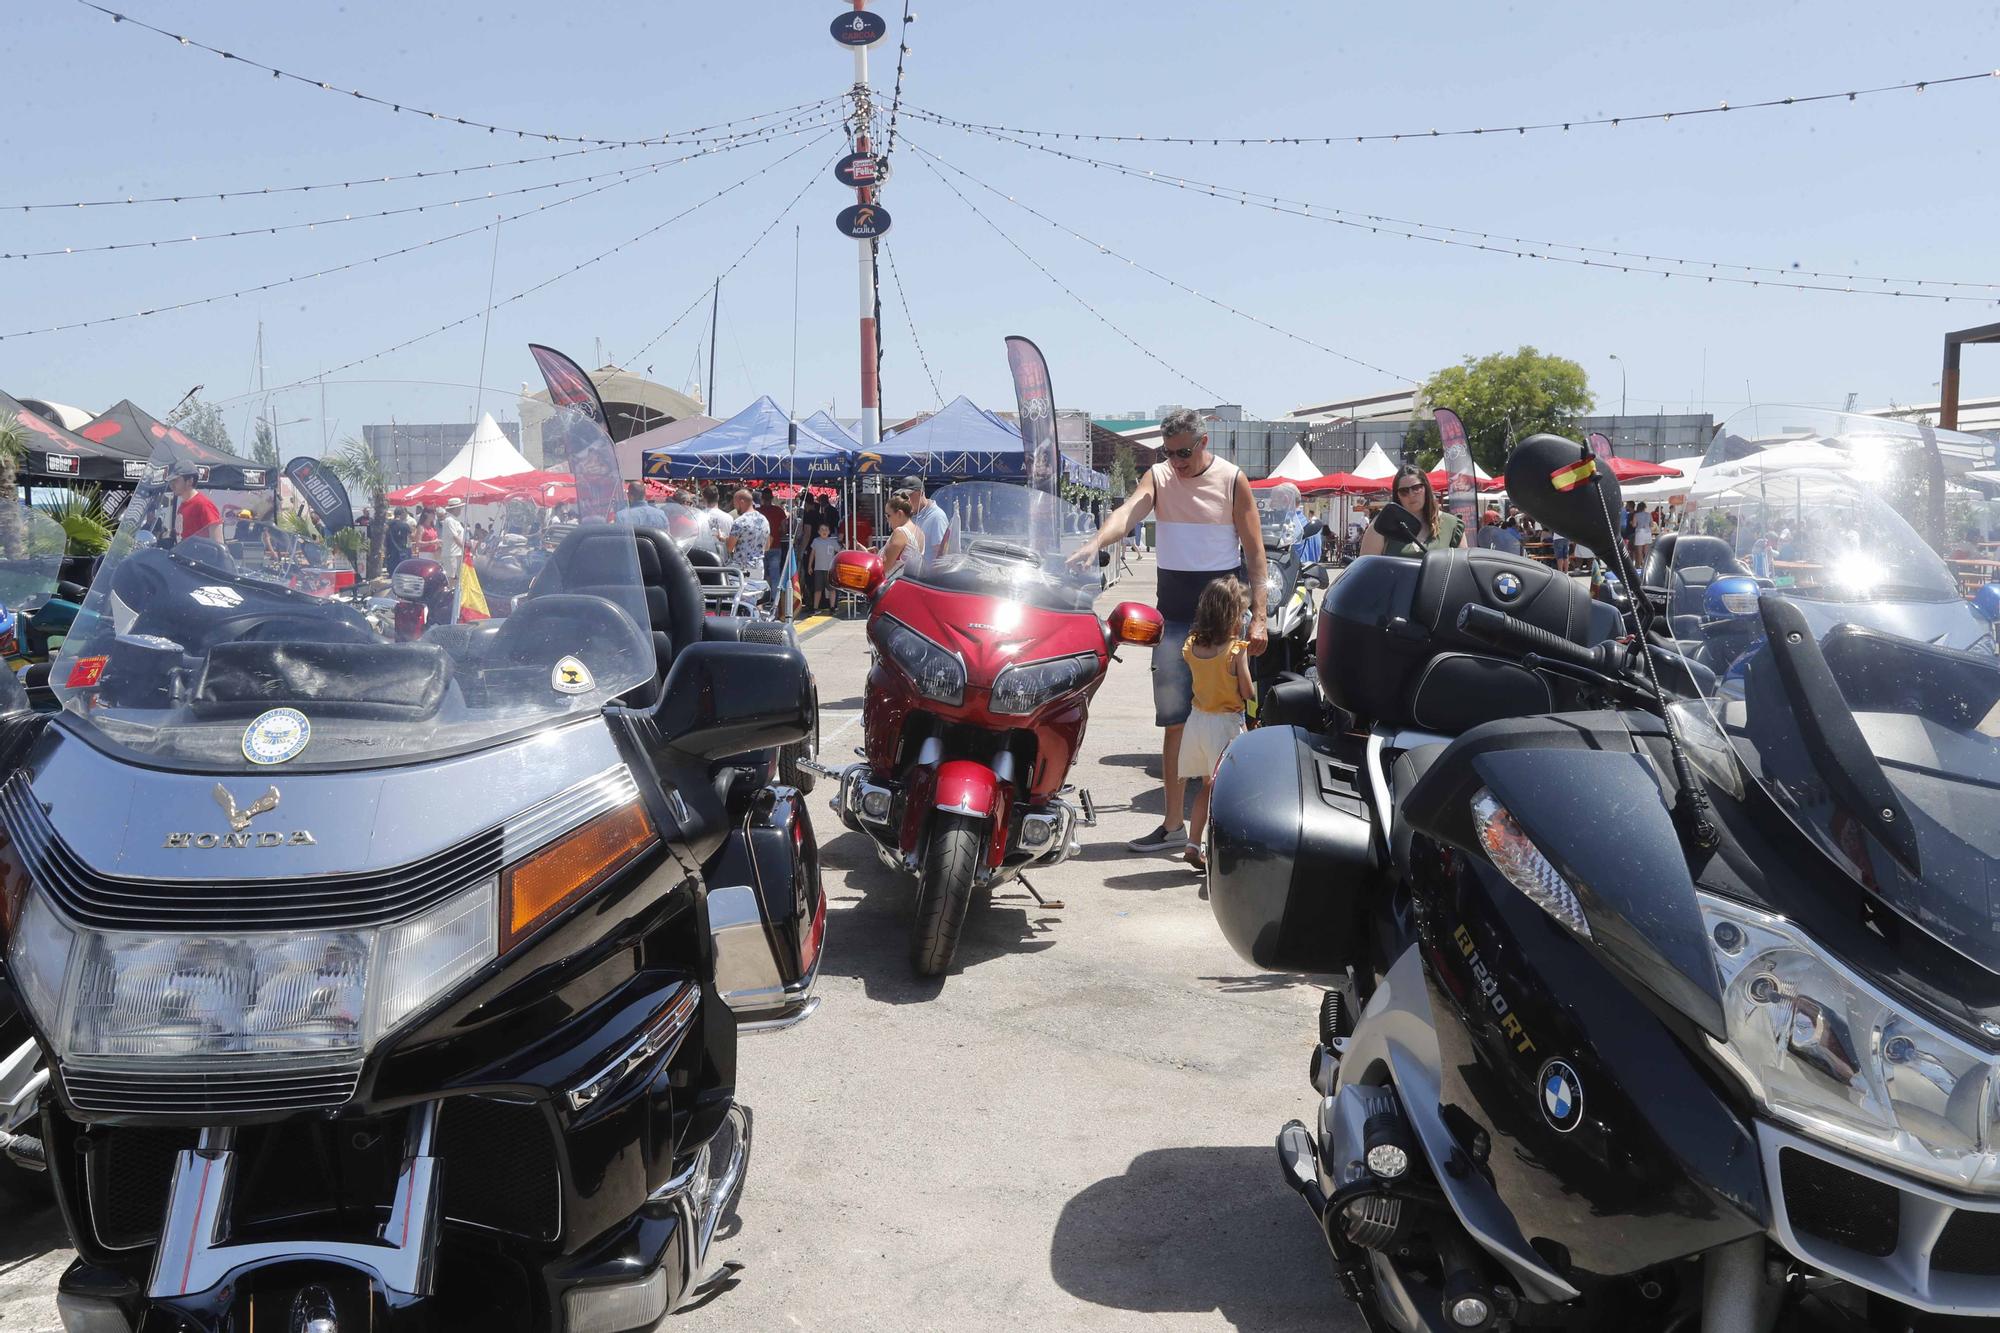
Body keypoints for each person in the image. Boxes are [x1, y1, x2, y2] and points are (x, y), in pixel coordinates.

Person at [1065, 407, 1267, 856]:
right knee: (1175, 721)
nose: (1176, 461)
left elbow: (1255, 554)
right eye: (1169, 452)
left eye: (1183, 452)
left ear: (1203, 442)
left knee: (1233, 720)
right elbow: (1129, 512)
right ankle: (1175, 824)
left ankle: (1231, 827)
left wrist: (1260, 616)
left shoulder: (1233, 480)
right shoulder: (1159, 477)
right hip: (1174, 620)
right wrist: (1097, 542)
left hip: (1223, 624)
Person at [1179, 576, 1254, 874]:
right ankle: (1225, 846)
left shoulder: (1191, 646)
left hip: (1197, 722)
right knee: (1231, 790)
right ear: (1233, 615)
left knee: (1206, 787)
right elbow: (1247, 691)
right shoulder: (1236, 650)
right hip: (1226, 725)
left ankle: (1192, 844)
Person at [1359, 465, 1461, 557]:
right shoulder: (1382, 524)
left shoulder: (1451, 524)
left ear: (1426, 489)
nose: (1411, 495)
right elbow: (1366, 570)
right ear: (1397, 495)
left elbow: (1464, 569)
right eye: (1404, 491)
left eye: (1416, 488)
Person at [725, 487, 770, 589]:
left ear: (741, 502)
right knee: (755, 597)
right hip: (758, 567)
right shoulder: (764, 520)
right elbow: (767, 547)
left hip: (742, 568)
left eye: (735, 504)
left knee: (741, 600)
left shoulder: (740, 522)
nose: (735, 507)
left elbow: (729, 547)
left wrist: (725, 540)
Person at [168, 461, 222, 545]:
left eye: (176, 480)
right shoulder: (182, 506)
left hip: (200, 558)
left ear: (190, 481)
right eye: (171, 481)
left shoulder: (204, 505)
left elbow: (218, 544)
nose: (171, 485)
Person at [899, 475, 950, 561]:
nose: (905, 500)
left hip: (927, 573)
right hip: (910, 572)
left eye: (908, 495)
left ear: (921, 493)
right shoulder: (910, 515)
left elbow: (941, 554)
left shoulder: (936, 516)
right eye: (903, 497)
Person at [881, 493, 928, 578]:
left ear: (899, 513)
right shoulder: (920, 532)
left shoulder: (900, 532)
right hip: (910, 583)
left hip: (893, 585)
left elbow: (884, 566)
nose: (887, 520)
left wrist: (869, 556)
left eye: (888, 515)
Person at [809, 522, 841, 612]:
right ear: (818, 531)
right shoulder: (816, 541)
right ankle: (815, 608)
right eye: (822, 529)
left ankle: (832, 607)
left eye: (826, 529)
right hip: (818, 568)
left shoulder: (832, 541)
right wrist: (809, 566)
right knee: (818, 589)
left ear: (829, 531)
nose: (824, 531)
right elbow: (812, 554)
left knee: (832, 589)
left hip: (830, 569)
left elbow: (840, 551)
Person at [438, 498, 467, 581]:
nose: (460, 511)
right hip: (451, 554)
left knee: (458, 578)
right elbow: (455, 537)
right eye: (459, 509)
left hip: (457, 553)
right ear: (455, 509)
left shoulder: (454, 520)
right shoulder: (449, 520)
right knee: (451, 578)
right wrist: (464, 548)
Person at [1632, 502, 1654, 570]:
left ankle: (1639, 566)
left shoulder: (1636, 515)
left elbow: (1634, 525)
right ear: (1644, 507)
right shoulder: (1649, 514)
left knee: (1639, 551)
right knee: (1646, 551)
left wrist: (1631, 522)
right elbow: (1652, 524)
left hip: (1640, 532)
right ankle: (1646, 565)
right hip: (1647, 532)